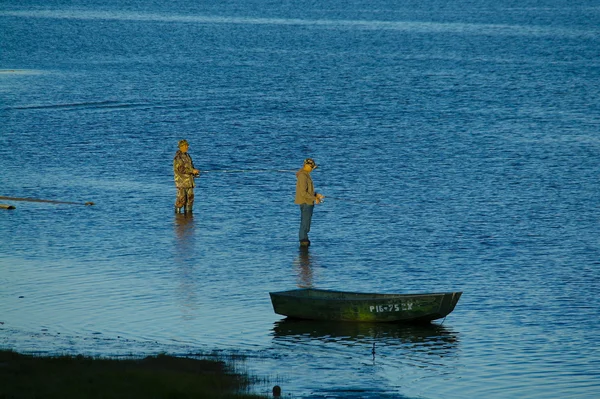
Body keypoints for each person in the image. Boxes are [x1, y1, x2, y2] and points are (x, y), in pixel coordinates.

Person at [294, 158, 324, 247]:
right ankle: (303, 240)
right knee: (305, 222)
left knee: (306, 222)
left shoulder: (305, 174)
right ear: (306, 166)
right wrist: (315, 198)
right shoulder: (303, 176)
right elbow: (303, 193)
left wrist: (316, 195)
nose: (312, 169)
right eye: (312, 167)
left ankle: (304, 239)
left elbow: (308, 191)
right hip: (306, 203)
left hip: (308, 202)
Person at [173, 139, 199, 213]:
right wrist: (191, 171)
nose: (187, 147)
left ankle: (189, 219)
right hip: (181, 183)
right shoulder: (178, 157)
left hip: (190, 183)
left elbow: (191, 167)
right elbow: (180, 169)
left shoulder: (187, 156)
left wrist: (195, 172)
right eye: (186, 145)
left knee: (190, 200)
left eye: (187, 145)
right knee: (181, 200)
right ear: (181, 146)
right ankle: (178, 219)